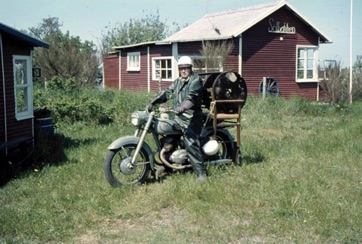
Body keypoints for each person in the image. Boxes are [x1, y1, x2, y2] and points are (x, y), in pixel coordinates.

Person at [146, 56, 207, 182]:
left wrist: (182, 107)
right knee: (167, 139)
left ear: (190, 68)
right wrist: (153, 102)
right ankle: (168, 167)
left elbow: (192, 97)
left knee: (190, 142)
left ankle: (201, 174)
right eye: (181, 68)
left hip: (192, 118)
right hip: (179, 119)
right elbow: (167, 92)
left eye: (186, 68)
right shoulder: (178, 81)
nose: (183, 71)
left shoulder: (195, 80)